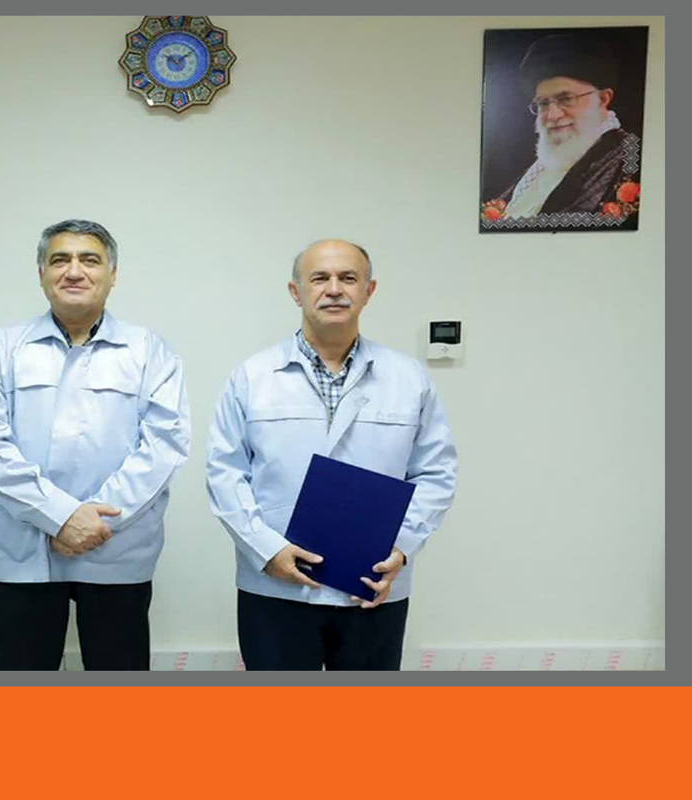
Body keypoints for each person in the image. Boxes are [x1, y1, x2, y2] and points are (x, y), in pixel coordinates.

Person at [206, 239, 457, 670]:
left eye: (348, 278)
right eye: (320, 278)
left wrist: (400, 548)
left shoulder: (408, 378)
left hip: (372, 586)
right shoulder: (252, 376)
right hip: (276, 586)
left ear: (369, 291)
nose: (335, 289)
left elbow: (436, 473)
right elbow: (225, 473)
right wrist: (267, 549)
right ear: (296, 291)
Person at [0, 219, 190, 670]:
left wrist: (92, 523)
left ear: (113, 274)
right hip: (22, 552)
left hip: (116, 547)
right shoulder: (1, 348)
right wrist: (61, 516)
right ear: (41, 273)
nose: (74, 271)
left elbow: (163, 445)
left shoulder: (149, 350)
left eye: (90, 260)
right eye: (60, 260)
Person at [491, 32, 642, 219]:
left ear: (603, 99)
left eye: (566, 99)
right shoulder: (539, 169)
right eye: (543, 103)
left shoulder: (630, 158)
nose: (552, 115)